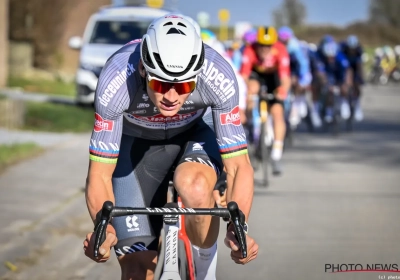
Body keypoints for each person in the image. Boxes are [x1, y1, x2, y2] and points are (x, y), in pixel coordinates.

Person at [82, 15, 258, 280]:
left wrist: (239, 226)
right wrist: (103, 229)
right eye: (161, 84)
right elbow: (99, 174)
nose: (171, 97)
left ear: (197, 75)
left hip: (194, 132)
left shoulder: (217, 73)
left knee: (196, 187)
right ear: (143, 69)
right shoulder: (117, 79)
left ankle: (205, 270)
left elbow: (238, 166)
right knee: (136, 271)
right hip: (135, 144)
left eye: (185, 85)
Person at [240, 26, 291, 175]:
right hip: (256, 77)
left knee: (277, 113)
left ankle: (276, 153)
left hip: (274, 79)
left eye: (268, 46)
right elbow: (244, 75)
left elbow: (285, 77)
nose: (264, 49)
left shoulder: (281, 50)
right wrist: (247, 96)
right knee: (252, 89)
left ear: (273, 44)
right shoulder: (250, 50)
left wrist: (282, 91)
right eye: (261, 45)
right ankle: (249, 128)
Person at [277, 26, 312, 127]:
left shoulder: (295, 46)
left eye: (286, 40)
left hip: (296, 69)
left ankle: (297, 105)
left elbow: (303, 64)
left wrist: (303, 81)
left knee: (298, 86)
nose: (284, 42)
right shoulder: (277, 46)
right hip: (283, 69)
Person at [316, 40, 351, 123]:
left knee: (344, 89)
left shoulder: (340, 57)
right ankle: (328, 110)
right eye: (328, 57)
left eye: (332, 57)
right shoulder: (321, 59)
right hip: (328, 75)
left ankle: (344, 104)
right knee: (328, 91)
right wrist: (326, 83)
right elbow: (321, 73)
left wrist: (346, 83)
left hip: (339, 74)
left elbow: (347, 71)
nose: (330, 59)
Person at [340, 35, 364, 121]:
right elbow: (343, 66)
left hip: (354, 66)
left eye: (353, 49)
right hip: (344, 67)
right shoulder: (342, 49)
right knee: (345, 85)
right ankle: (344, 103)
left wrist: (361, 79)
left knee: (357, 85)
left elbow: (359, 66)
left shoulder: (359, 50)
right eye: (350, 48)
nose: (352, 50)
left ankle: (357, 105)